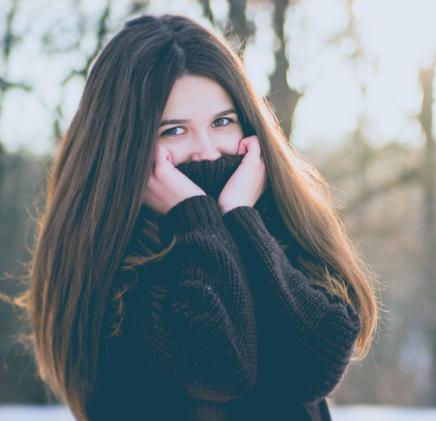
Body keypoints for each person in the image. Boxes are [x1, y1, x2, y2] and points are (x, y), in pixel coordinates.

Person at [8, 13, 380, 420]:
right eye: (174, 130)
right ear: (126, 144)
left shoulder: (275, 223)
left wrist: (240, 216)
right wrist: (196, 220)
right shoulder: (114, 270)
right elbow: (220, 368)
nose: (207, 150)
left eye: (222, 122)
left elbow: (315, 366)